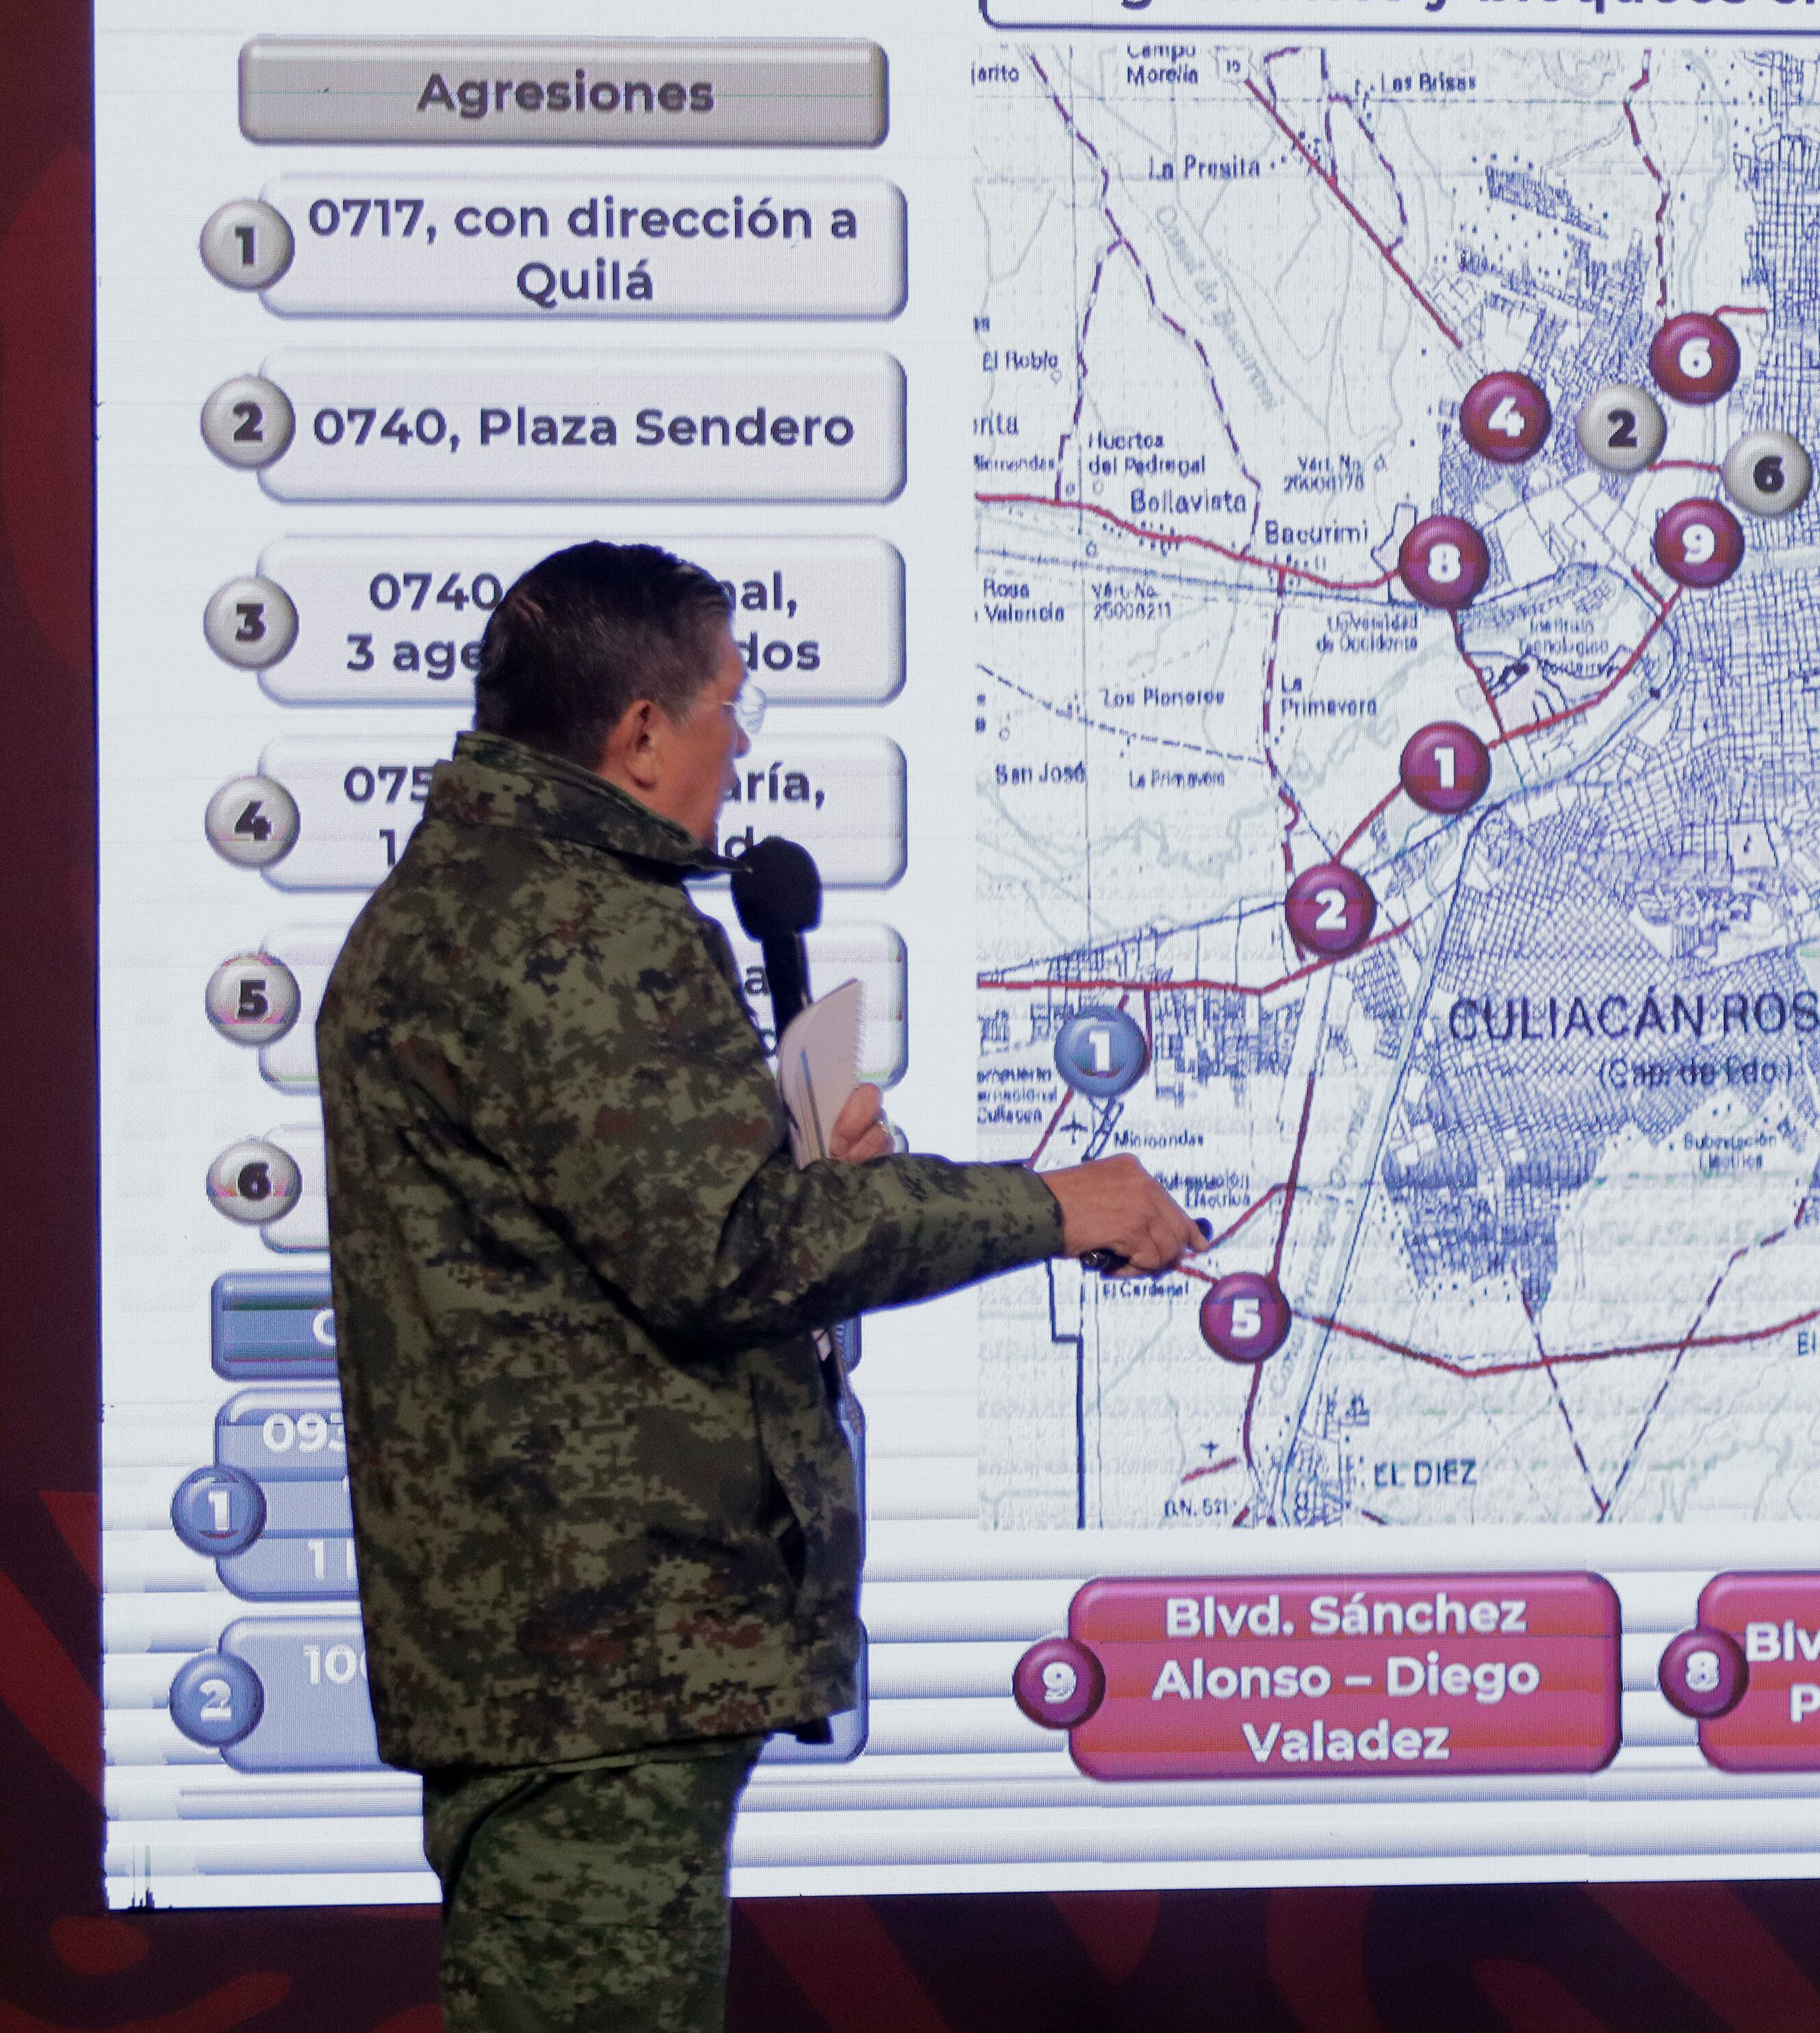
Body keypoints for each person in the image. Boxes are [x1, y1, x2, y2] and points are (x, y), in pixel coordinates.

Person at [318, 542, 1197, 2030]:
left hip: (562, 1656)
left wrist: (812, 1184)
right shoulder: (569, 924)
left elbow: (660, 1225)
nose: (742, 744)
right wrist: (1050, 1205)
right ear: (640, 732)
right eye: (732, 704)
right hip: (603, 1660)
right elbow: (726, 1251)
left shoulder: (478, 893)